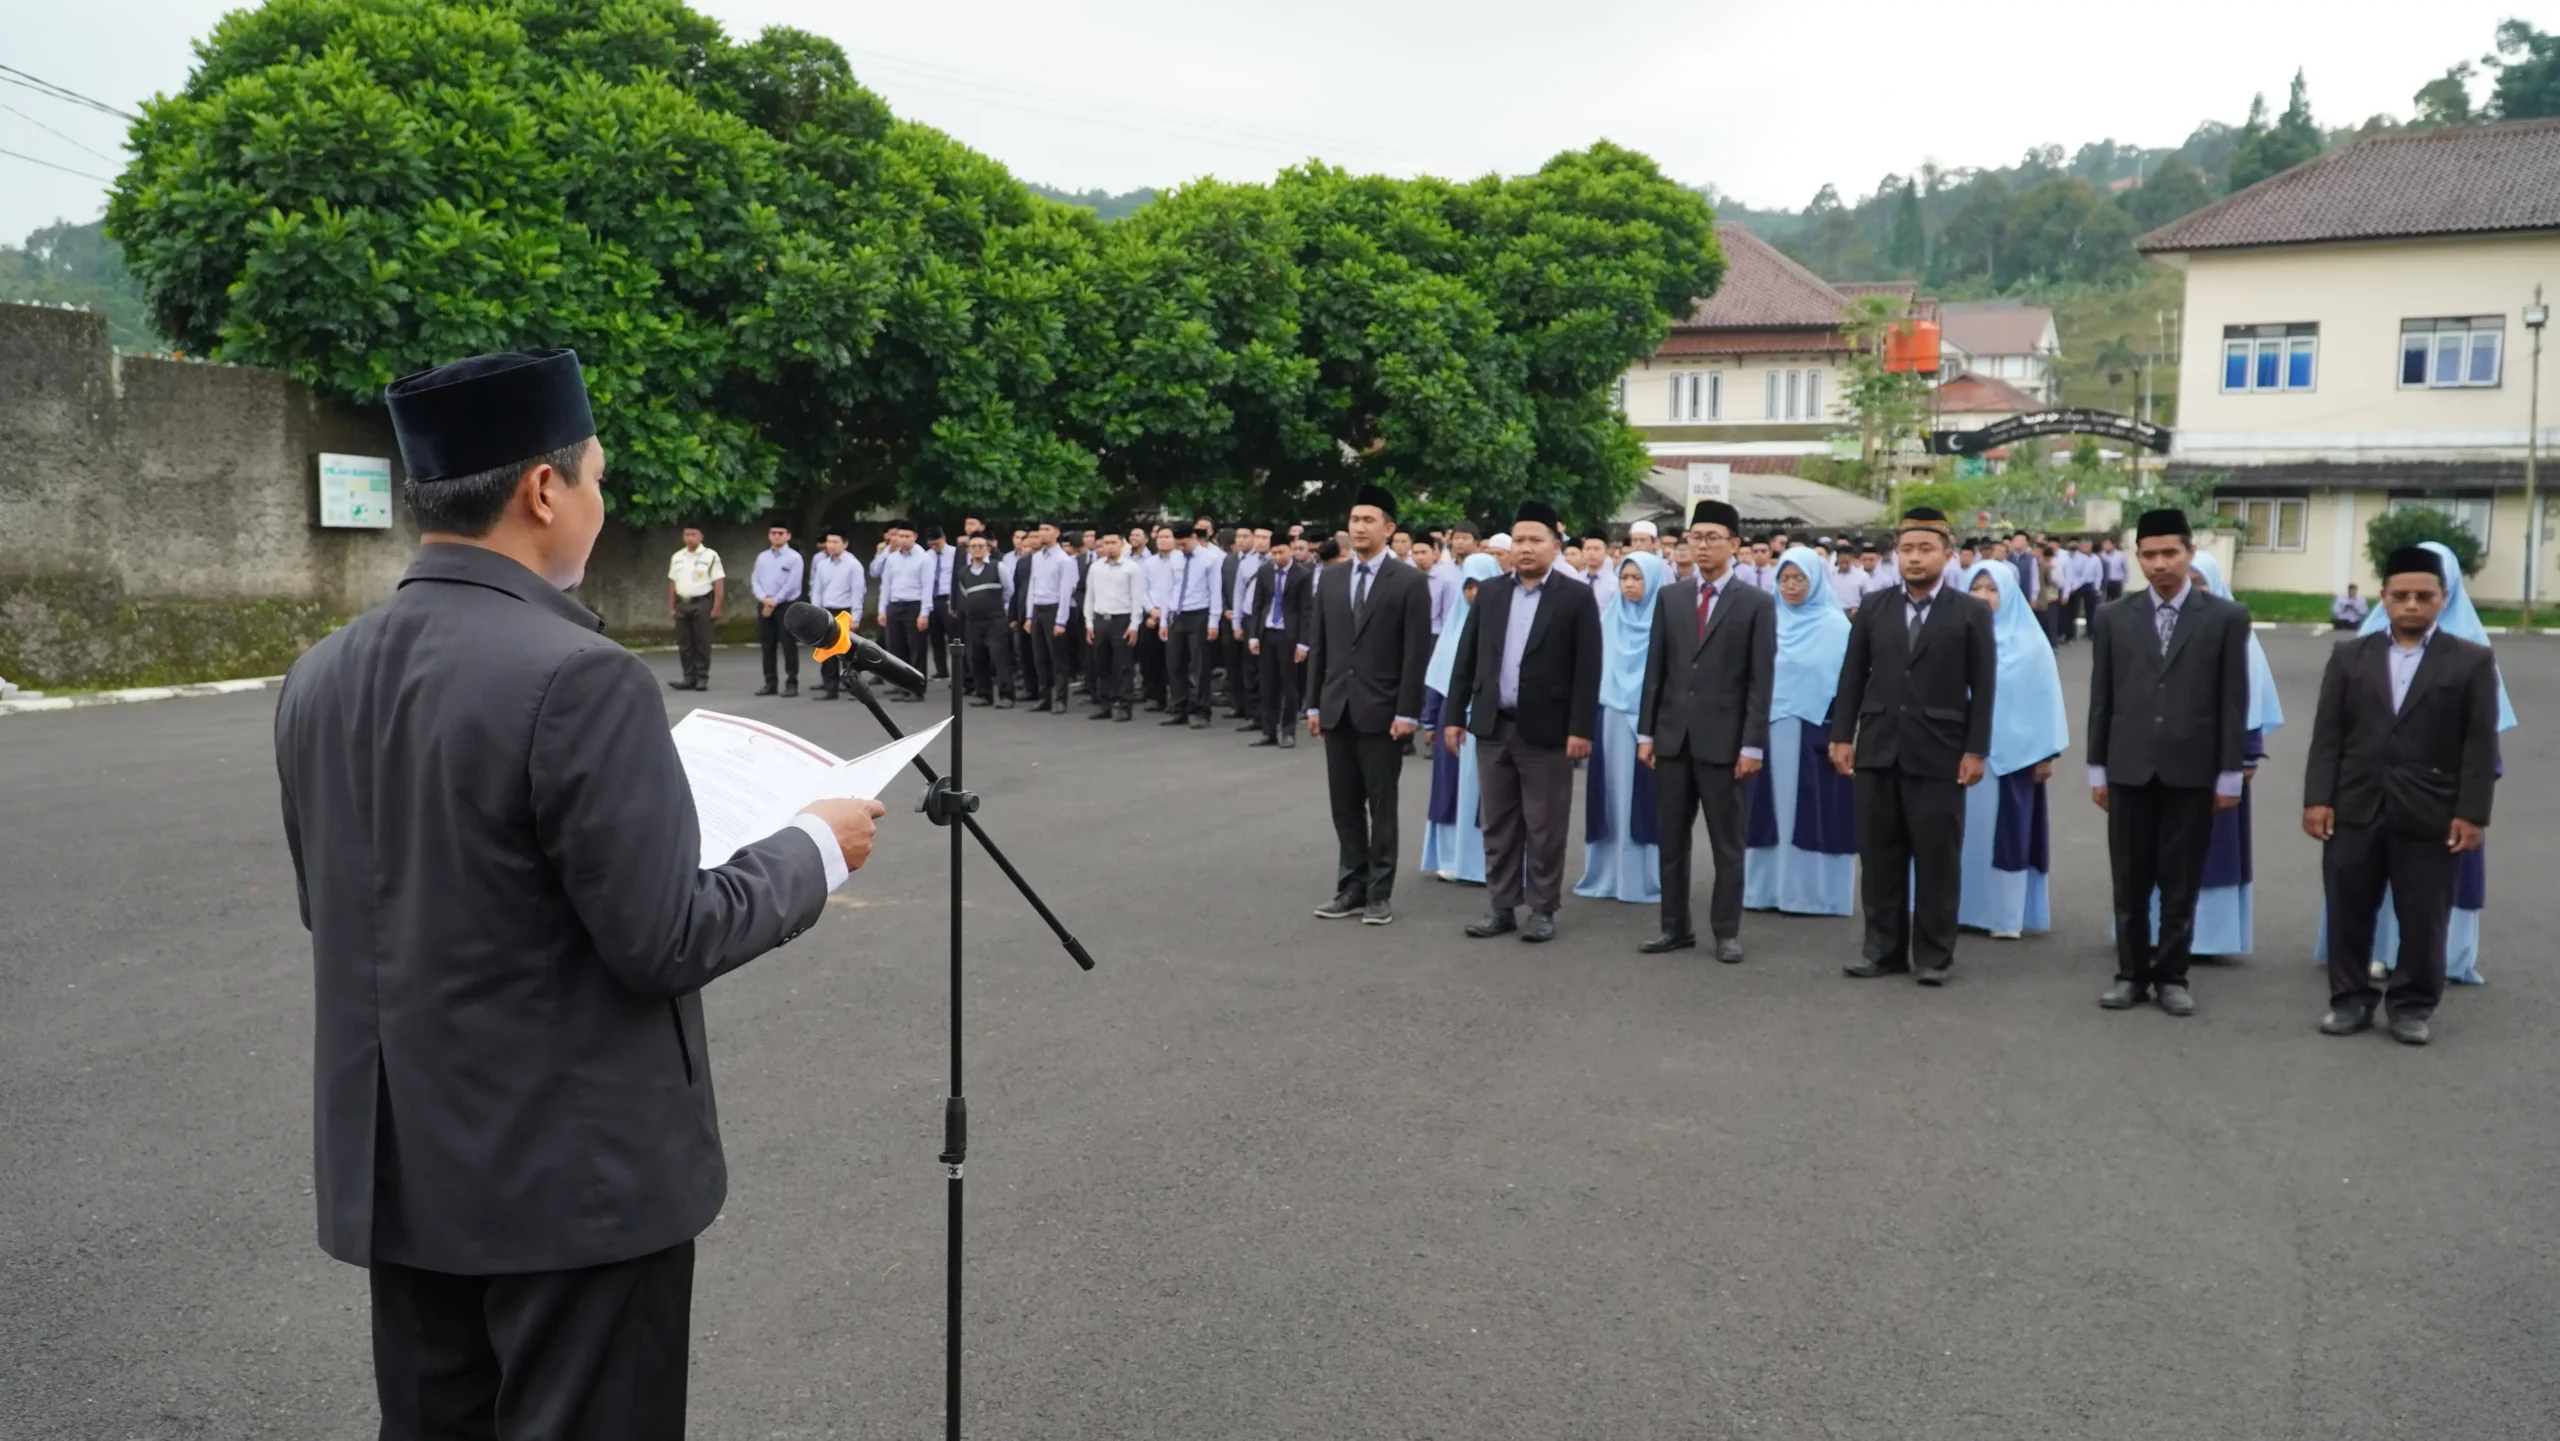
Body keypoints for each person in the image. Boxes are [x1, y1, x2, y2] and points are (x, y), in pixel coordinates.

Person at [273, 348, 885, 1440]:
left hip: (408, 1168)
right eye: (598, 475)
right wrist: (813, 849)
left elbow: (346, 907)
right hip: (574, 1186)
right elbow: (664, 935)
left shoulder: (323, 672)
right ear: (544, 488)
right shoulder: (578, 675)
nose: (604, 502)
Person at [2305, 544, 2503, 1046]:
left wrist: (2471, 813)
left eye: (2424, 596)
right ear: (2384, 598)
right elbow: (2328, 735)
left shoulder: (2472, 661)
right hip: (2355, 806)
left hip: (2430, 811)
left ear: (2443, 598)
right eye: (2401, 595)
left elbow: (2480, 744)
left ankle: (2412, 1006)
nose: (2412, 604)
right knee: (2349, 909)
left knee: (2423, 917)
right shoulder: (2350, 656)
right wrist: (2317, 799)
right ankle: (2349, 1001)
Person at [2087, 508, 2252, 1018]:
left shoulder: (2224, 617)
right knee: (2129, 879)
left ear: (2190, 554)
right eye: (2150, 554)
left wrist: (2229, 773)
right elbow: (2103, 698)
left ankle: (2174, 977)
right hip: (2129, 768)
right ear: (2138, 558)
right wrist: (2098, 770)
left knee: (2181, 880)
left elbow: (2232, 700)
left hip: (2193, 770)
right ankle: (2131, 974)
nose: (2160, 564)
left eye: (2170, 553)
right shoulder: (2114, 617)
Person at [1831, 507, 1996, 987]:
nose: (1915, 558)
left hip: (1940, 752)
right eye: (1907, 550)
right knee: (1879, 855)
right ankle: (1880, 949)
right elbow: (1851, 678)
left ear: (1948, 555)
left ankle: (1933, 955)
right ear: (1895, 556)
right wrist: (1843, 736)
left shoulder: (1970, 613)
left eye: (1926, 549)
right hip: (1879, 747)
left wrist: (1976, 749)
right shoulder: (1874, 608)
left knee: (1937, 858)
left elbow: (1983, 688)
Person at [1444, 501, 1604, 943]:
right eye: (1518, 541)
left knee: (1545, 823)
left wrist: (1581, 728)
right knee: (1498, 822)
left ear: (1556, 546)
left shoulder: (1575, 598)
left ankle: (1542, 907)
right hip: (1495, 726)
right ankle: (1501, 905)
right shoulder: (1492, 593)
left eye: (1536, 541)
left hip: (1549, 731)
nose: (1526, 548)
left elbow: (1588, 669)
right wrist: (1455, 716)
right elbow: (1467, 658)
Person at [1637, 499, 1776, 957]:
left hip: (1726, 743)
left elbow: (1760, 681)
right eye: (1695, 538)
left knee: (1727, 843)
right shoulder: (1671, 597)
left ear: (1734, 545)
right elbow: (1655, 670)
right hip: (1674, 739)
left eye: (1712, 538)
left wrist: (1753, 744)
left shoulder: (1755, 603)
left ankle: (1726, 932)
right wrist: (1647, 733)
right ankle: (1674, 926)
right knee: (1671, 839)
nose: (1701, 546)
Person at [1306, 484, 1435, 925]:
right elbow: (1319, 646)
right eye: (1354, 519)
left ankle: (1379, 892)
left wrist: (1407, 712)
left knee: (1381, 805)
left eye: (1368, 520)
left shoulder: (1411, 582)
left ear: (1389, 527)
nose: (1359, 527)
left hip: (1383, 713)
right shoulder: (1332, 576)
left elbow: (1416, 653)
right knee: (1343, 805)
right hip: (1337, 707)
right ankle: (1351, 888)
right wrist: (1312, 705)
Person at [1955, 561, 2069, 938]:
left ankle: (2002, 917)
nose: (1984, 597)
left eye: (1992, 589)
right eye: (1976, 588)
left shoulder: (2031, 642)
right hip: (1957, 754)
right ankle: (1954, 909)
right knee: (1956, 832)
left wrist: (2045, 753)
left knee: (2006, 834)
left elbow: (2045, 699)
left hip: (2014, 757)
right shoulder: (1955, 635)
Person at [1742, 545, 1856, 918]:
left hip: (1817, 732)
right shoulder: (1765, 621)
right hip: (1767, 732)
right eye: (1784, 579)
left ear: (1817, 580)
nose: (1791, 587)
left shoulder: (1837, 627)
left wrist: (1842, 734)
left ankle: (1815, 895)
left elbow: (1849, 686)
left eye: (1799, 579)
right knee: (1765, 811)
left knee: (1818, 811)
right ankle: (1764, 890)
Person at [1576, 551, 1667, 906]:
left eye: (1637, 578)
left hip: (1647, 724)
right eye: (1625, 577)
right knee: (1609, 797)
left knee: (1643, 800)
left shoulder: (1667, 624)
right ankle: (1605, 875)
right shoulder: (1608, 620)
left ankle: (1642, 880)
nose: (1629, 584)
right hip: (1610, 718)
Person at [1420, 554, 1501, 884]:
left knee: (1488, 793)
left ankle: (1484, 861)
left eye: (1479, 587)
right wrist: (1430, 722)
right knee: (1450, 792)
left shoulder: (1502, 631)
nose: (1472, 594)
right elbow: (1437, 682)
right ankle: (1451, 858)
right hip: (1452, 725)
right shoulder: (1453, 630)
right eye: (1467, 587)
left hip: (1487, 724)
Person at [1246, 532, 1311, 746]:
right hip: (1267, 632)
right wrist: (1254, 635)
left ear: (1291, 549)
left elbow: (1306, 611)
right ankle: (1269, 731)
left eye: (1281, 552)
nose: (1277, 557)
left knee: (1289, 685)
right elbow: (1257, 604)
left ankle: (1288, 731)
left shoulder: (1302, 575)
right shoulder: (1265, 572)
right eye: (1274, 553)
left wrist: (1303, 642)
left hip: (1288, 635)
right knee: (1267, 684)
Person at [1081, 529, 1146, 722]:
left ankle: (1124, 705)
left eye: (1113, 543)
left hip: (1122, 619)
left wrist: (1134, 624)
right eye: (1106, 543)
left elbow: (1137, 597)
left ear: (1121, 544)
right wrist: (1089, 622)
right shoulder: (1096, 567)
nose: (1109, 546)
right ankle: (1105, 704)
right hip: (1101, 619)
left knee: (1123, 665)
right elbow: (1089, 596)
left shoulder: (1131, 568)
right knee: (1101, 664)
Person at [871, 519, 934, 699]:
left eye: (907, 536)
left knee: (916, 648)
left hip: (914, 605)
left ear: (915, 537)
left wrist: (924, 613)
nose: (903, 539)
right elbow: (886, 586)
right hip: (895, 605)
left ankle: (916, 689)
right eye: (900, 536)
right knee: (896, 649)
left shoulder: (924, 559)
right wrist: (882, 609)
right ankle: (902, 686)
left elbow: (927, 588)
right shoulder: (891, 558)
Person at [953, 533, 1014, 708]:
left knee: (999, 657)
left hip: (995, 620)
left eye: (981, 546)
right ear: (968, 550)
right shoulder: (963, 573)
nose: (977, 549)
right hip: (974, 621)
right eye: (974, 546)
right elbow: (966, 595)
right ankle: (984, 694)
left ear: (988, 548)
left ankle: (1006, 695)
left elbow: (1009, 591)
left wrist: (1004, 613)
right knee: (977, 657)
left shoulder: (998, 567)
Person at [805, 527, 865, 701]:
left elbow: (857, 593)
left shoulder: (853, 565)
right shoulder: (822, 565)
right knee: (827, 651)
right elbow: (817, 591)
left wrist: (856, 616)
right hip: (826, 611)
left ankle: (855, 688)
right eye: (828, 542)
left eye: (835, 542)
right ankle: (830, 688)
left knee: (849, 653)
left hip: (845, 611)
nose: (830, 545)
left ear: (845, 544)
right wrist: (815, 612)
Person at [665, 524, 724, 692]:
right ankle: (688, 677)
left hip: (702, 603)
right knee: (684, 643)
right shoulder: (677, 557)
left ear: (701, 536)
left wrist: (717, 606)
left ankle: (702, 677)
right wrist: (671, 607)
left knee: (702, 642)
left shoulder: (710, 556)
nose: (689, 537)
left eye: (693, 534)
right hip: (683, 603)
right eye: (686, 534)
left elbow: (718, 581)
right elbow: (672, 582)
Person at [750, 523, 805, 698]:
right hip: (765, 603)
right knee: (767, 645)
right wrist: (764, 599)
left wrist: (774, 601)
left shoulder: (794, 558)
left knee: (788, 644)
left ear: (788, 536)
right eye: (773, 533)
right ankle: (770, 683)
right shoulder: (762, 557)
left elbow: (792, 585)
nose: (776, 536)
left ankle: (791, 683)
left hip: (786, 605)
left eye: (780, 533)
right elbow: (755, 581)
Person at [922, 524, 956, 680]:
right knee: (935, 637)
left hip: (948, 598)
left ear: (944, 539)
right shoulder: (926, 556)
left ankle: (957, 670)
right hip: (931, 599)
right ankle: (941, 669)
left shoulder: (955, 553)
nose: (934, 547)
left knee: (953, 636)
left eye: (937, 543)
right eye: (931, 544)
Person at [2099, 536, 2127, 600]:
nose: (2105, 546)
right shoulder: (2101, 555)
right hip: (2105, 583)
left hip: (2116, 582)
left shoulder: (2120, 555)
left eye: (2107, 544)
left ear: (2113, 545)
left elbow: (2124, 568)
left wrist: (2125, 581)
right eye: (2104, 545)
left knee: (2116, 601)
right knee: (2105, 601)